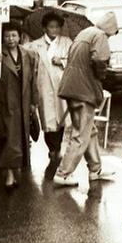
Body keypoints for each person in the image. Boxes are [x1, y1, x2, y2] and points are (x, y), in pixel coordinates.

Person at [53, 12, 118, 187]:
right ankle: (63, 172)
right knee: (81, 133)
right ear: (111, 29)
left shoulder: (86, 33)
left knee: (89, 130)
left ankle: (95, 169)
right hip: (84, 89)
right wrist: (102, 73)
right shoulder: (100, 36)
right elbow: (99, 59)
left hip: (71, 86)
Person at [0, 21, 39, 189]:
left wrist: (34, 102)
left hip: (23, 101)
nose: (10, 39)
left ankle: (15, 169)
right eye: (7, 36)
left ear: (20, 36)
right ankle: (8, 172)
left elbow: (32, 80)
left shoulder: (28, 54)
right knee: (8, 139)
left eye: (14, 35)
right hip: (4, 102)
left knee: (21, 138)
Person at [26, 12, 73, 166]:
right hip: (44, 86)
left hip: (62, 85)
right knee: (47, 120)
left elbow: (74, 61)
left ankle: (57, 147)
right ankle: (53, 149)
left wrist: (62, 61)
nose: (54, 30)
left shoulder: (67, 42)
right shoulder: (34, 46)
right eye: (51, 27)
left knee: (61, 119)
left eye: (57, 27)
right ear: (45, 28)